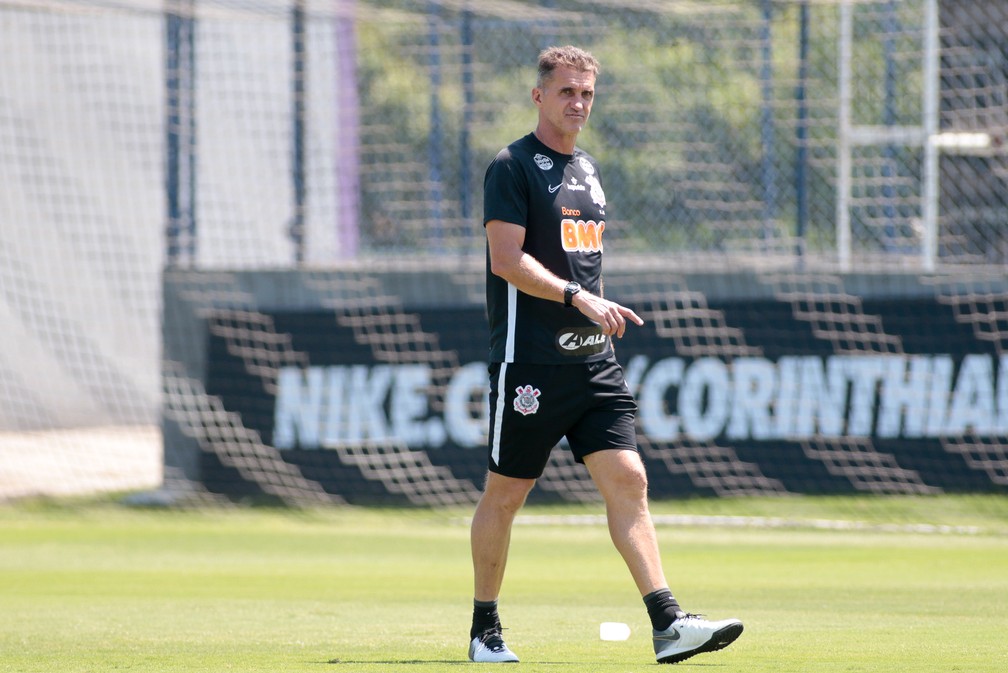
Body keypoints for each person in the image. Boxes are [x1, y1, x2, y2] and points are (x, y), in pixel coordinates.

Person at [468, 45, 744, 665]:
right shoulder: (510, 167)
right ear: (539, 95)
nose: (578, 103)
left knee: (629, 479)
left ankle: (669, 624)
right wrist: (579, 298)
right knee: (506, 495)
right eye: (566, 91)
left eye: (587, 93)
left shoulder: (589, 171)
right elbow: (505, 262)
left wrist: (593, 308)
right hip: (530, 363)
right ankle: (484, 630)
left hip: (594, 362)